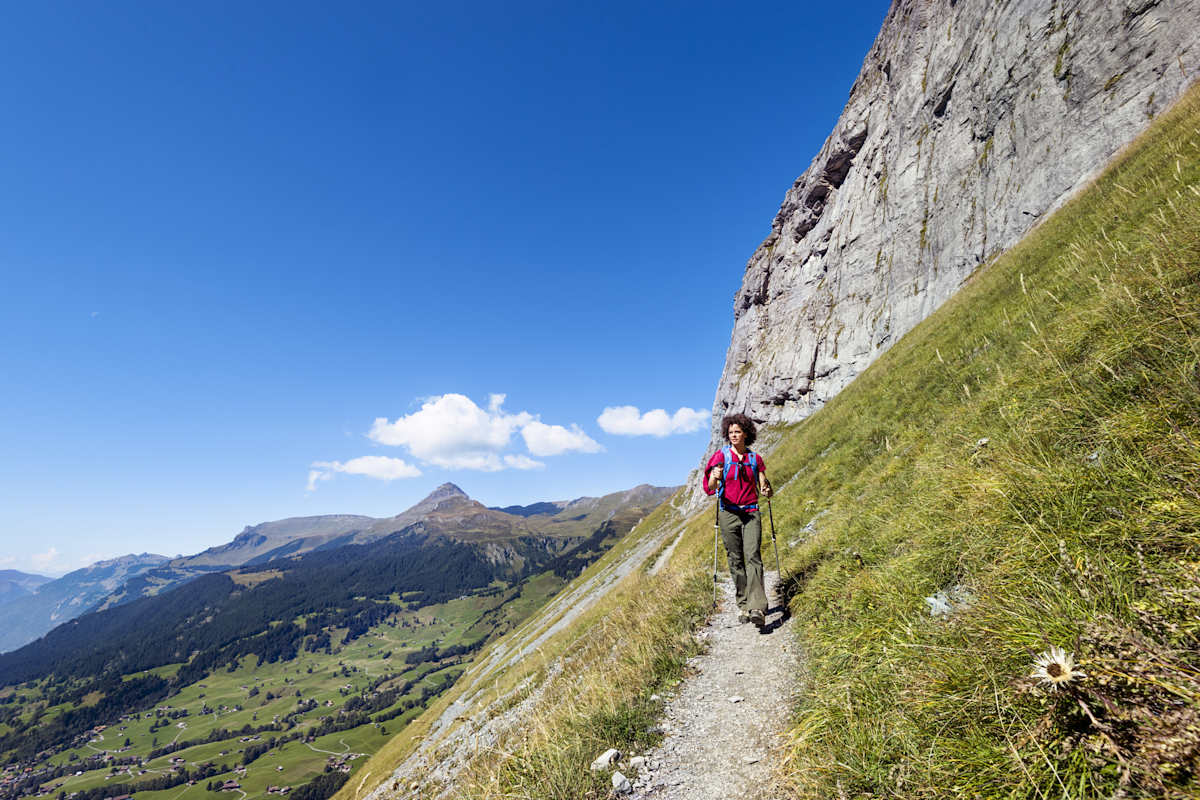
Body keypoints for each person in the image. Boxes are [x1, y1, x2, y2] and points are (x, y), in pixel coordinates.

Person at [702, 413, 772, 627]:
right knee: (735, 559)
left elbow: (763, 486)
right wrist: (714, 476)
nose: (733, 435)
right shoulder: (720, 457)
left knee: (753, 556)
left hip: (751, 512)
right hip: (728, 513)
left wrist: (766, 489)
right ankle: (743, 604)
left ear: (745, 434)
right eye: (731, 432)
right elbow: (709, 488)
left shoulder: (754, 459)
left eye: (737, 432)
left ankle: (757, 606)